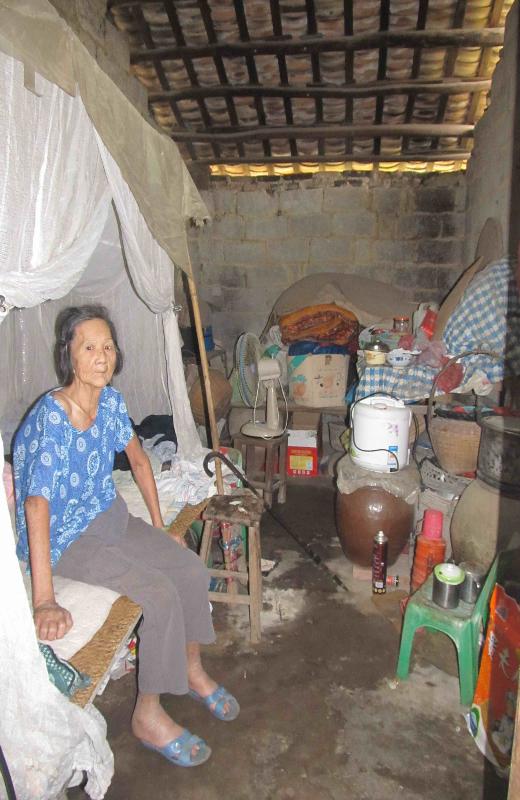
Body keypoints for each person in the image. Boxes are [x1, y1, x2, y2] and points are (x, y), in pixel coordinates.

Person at [13, 304, 239, 768]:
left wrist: (160, 527)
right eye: (89, 347)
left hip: (107, 514)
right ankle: (147, 715)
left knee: (189, 570)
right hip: (65, 536)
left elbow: (138, 460)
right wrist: (44, 600)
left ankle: (192, 670)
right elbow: (36, 505)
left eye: (108, 346)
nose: (102, 356)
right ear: (68, 356)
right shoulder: (52, 418)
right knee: (157, 593)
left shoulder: (111, 403)